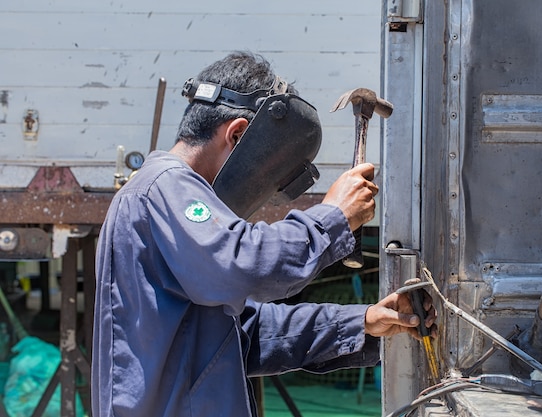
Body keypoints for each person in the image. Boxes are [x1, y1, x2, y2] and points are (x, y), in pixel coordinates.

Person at [92, 51, 436, 417]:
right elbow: (241, 265)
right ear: (237, 133)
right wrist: (333, 218)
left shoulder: (168, 205)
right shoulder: (164, 187)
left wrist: (363, 321)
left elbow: (245, 333)